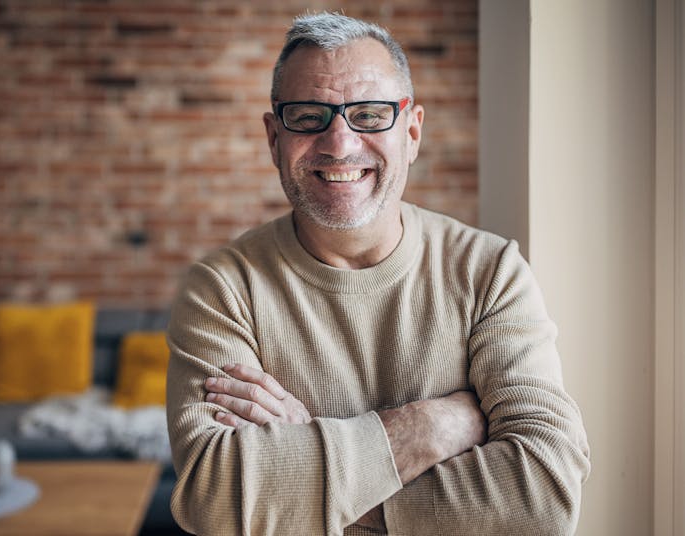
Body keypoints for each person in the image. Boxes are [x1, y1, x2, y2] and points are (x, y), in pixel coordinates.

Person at [166, 12, 590, 536]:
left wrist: (312, 471)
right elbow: (216, 498)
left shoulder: (490, 272)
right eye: (307, 115)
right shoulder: (223, 288)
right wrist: (432, 427)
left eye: (369, 114)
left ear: (411, 131)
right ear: (274, 139)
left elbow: (544, 496)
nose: (339, 144)